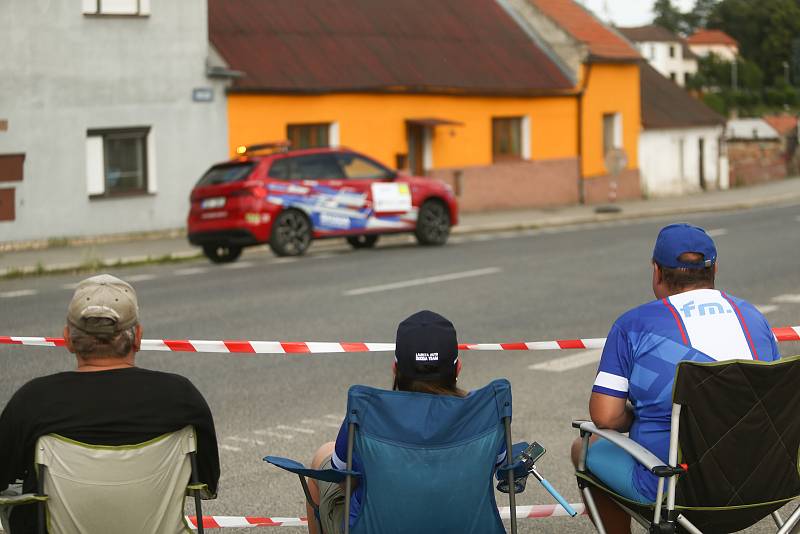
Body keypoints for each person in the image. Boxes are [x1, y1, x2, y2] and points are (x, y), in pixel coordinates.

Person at [571, 223, 780, 534]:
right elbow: (772, 401)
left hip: (677, 493)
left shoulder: (633, 326)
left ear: (656, 272)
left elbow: (605, 416)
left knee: (584, 446)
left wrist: (636, 415)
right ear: (715, 270)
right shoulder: (754, 318)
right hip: (766, 485)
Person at [0, 274, 220, 534]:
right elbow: (205, 484)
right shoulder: (183, 399)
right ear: (137, 336)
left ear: (67, 338)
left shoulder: (33, 401)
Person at [304, 310, 506, 534]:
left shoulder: (366, 412)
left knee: (323, 455)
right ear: (457, 368)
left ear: (395, 369)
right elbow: (498, 467)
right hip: (464, 526)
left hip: (377, 527)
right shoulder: (485, 412)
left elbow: (342, 476)